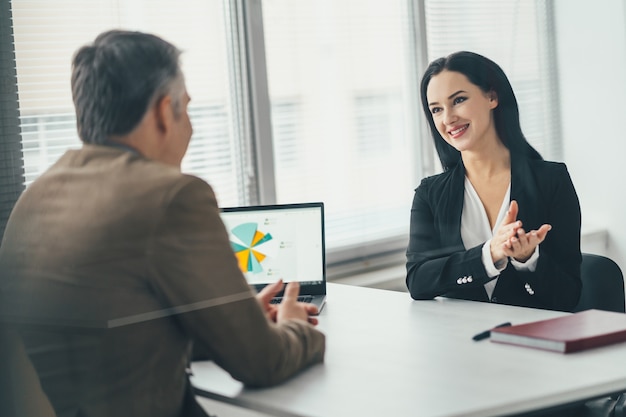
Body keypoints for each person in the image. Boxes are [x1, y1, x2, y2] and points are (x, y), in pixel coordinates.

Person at [0, 30, 325, 417]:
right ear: (161, 111)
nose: (190, 127)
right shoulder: (173, 196)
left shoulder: (33, 201)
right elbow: (263, 362)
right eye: (185, 109)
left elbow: (117, 336)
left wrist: (237, 320)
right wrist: (294, 327)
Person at [405, 51, 582, 312]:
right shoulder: (429, 194)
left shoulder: (551, 181)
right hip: (459, 342)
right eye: (436, 109)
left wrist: (527, 259)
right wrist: (489, 255)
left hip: (533, 343)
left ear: (492, 96)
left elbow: (568, 296)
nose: (448, 118)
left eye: (459, 100)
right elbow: (418, 281)